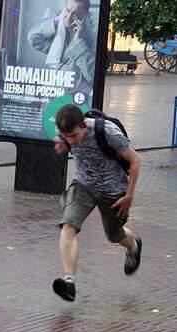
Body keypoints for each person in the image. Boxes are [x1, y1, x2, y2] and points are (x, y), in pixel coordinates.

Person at [51, 104, 142, 302]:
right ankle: (69, 282)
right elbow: (62, 137)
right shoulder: (65, 131)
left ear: (84, 124)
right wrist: (62, 142)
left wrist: (129, 196)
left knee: (114, 235)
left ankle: (133, 246)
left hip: (113, 191)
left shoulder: (108, 133)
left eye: (74, 135)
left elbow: (135, 161)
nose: (71, 140)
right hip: (83, 185)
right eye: (67, 136)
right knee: (68, 225)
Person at [27, 0, 96, 98]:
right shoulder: (58, 36)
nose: (69, 17)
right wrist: (57, 20)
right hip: (52, 97)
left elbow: (91, 75)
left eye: (75, 15)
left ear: (84, 16)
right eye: (67, 11)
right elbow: (33, 38)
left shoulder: (91, 39)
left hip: (74, 99)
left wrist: (77, 42)